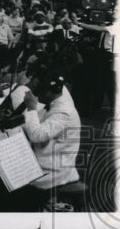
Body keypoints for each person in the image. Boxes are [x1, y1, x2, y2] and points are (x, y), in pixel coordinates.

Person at [17, 74, 81, 210]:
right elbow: (36, 124)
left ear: (48, 92)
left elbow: (37, 135)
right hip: (48, 161)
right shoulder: (55, 101)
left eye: (39, 93)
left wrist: (31, 108)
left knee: (14, 182)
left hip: (55, 170)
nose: (36, 96)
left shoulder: (64, 113)